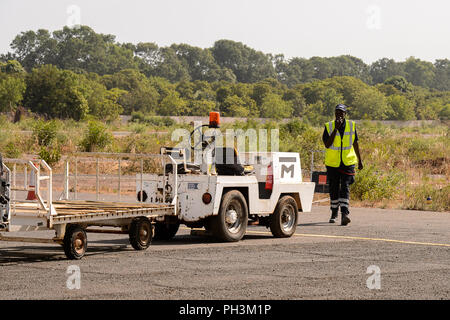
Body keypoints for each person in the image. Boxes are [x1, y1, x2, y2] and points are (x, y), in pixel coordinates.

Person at [322, 104, 363, 225]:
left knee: (345, 186)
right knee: (334, 188)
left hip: (347, 162)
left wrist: (360, 160)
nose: (339, 114)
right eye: (337, 112)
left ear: (345, 114)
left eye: (341, 112)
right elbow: (327, 144)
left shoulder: (351, 125)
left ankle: (345, 214)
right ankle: (334, 212)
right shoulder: (329, 126)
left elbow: (355, 143)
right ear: (334, 113)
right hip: (333, 163)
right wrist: (336, 128)